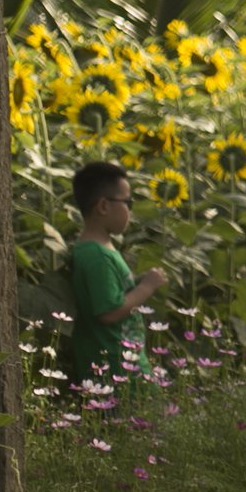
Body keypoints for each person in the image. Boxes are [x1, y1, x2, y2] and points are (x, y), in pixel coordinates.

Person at [69, 161, 163, 385]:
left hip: (121, 362)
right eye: (127, 202)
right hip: (115, 369)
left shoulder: (100, 250)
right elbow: (109, 312)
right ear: (103, 206)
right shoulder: (96, 256)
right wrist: (146, 287)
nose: (130, 210)